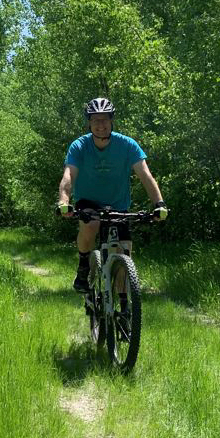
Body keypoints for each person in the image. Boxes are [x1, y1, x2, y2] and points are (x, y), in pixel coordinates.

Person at [56, 97, 168, 292]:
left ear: (111, 120)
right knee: (90, 225)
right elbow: (68, 176)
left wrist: (159, 203)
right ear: (89, 122)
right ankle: (84, 265)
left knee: (124, 250)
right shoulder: (79, 146)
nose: (101, 124)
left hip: (118, 206)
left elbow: (145, 175)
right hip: (88, 202)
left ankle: (123, 311)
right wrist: (63, 201)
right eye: (96, 120)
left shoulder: (127, 145)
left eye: (105, 119)